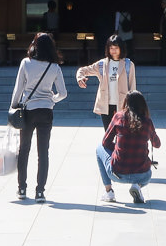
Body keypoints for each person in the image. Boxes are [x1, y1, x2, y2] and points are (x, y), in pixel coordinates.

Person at [10, 32, 68, 203]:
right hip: (46, 111)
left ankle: (21, 188)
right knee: (43, 152)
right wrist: (52, 100)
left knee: (24, 149)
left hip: (28, 110)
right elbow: (63, 93)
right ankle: (40, 191)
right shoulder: (55, 67)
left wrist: (14, 107)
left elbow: (18, 89)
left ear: (34, 45)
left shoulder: (26, 63)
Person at [95, 90, 161, 204]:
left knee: (99, 149)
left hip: (117, 173)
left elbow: (105, 142)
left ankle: (109, 192)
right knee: (147, 174)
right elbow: (157, 144)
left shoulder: (119, 117)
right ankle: (137, 186)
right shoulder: (147, 121)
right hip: (143, 175)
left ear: (126, 103)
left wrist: (117, 147)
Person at [76, 35, 137, 129]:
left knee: (122, 134)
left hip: (122, 105)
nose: (113, 50)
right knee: (108, 133)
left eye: (116, 48)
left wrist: (132, 105)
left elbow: (132, 87)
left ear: (121, 48)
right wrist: (80, 78)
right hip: (106, 105)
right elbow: (84, 70)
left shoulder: (128, 65)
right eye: (111, 48)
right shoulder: (102, 64)